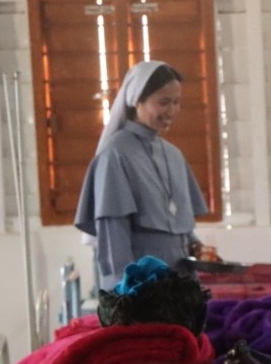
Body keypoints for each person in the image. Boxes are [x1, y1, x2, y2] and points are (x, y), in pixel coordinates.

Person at [75, 60, 210, 291]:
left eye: (176, 102)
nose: (172, 111)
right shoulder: (115, 154)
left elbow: (177, 223)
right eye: (163, 102)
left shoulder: (173, 154)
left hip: (181, 278)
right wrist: (126, 289)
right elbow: (113, 235)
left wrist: (195, 246)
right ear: (136, 100)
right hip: (143, 280)